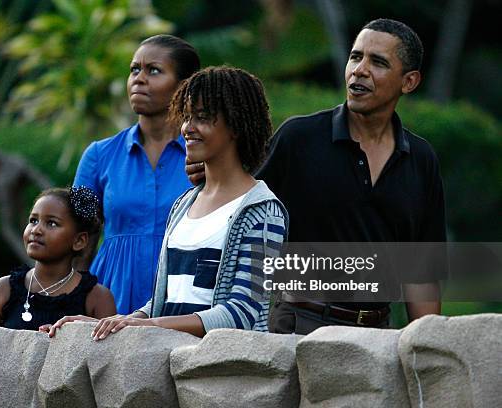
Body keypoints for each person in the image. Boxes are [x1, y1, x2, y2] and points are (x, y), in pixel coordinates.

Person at [188, 19, 447, 335]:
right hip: (299, 325)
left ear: (409, 81)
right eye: (356, 57)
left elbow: (421, 272)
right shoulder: (299, 138)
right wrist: (211, 171)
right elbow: (235, 210)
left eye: (377, 62)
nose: (359, 70)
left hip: (379, 333)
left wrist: (426, 344)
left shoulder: (421, 159)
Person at [47, 66, 288, 339]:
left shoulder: (261, 210)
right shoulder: (101, 155)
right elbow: (81, 224)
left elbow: (243, 312)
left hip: (219, 366)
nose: (188, 127)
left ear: (235, 123)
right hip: (146, 326)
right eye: (186, 117)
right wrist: (106, 318)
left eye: (202, 118)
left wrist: (144, 324)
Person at [72, 35, 201, 315]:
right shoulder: (97, 156)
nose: (139, 79)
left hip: (183, 296)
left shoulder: (205, 155)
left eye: (153, 70)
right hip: (109, 295)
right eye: (134, 70)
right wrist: (70, 299)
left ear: (184, 86)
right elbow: (79, 234)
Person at [0, 187, 116, 330]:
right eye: (33, 220)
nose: (36, 230)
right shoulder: (4, 290)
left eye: (52, 223)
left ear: (79, 241)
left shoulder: (97, 298)